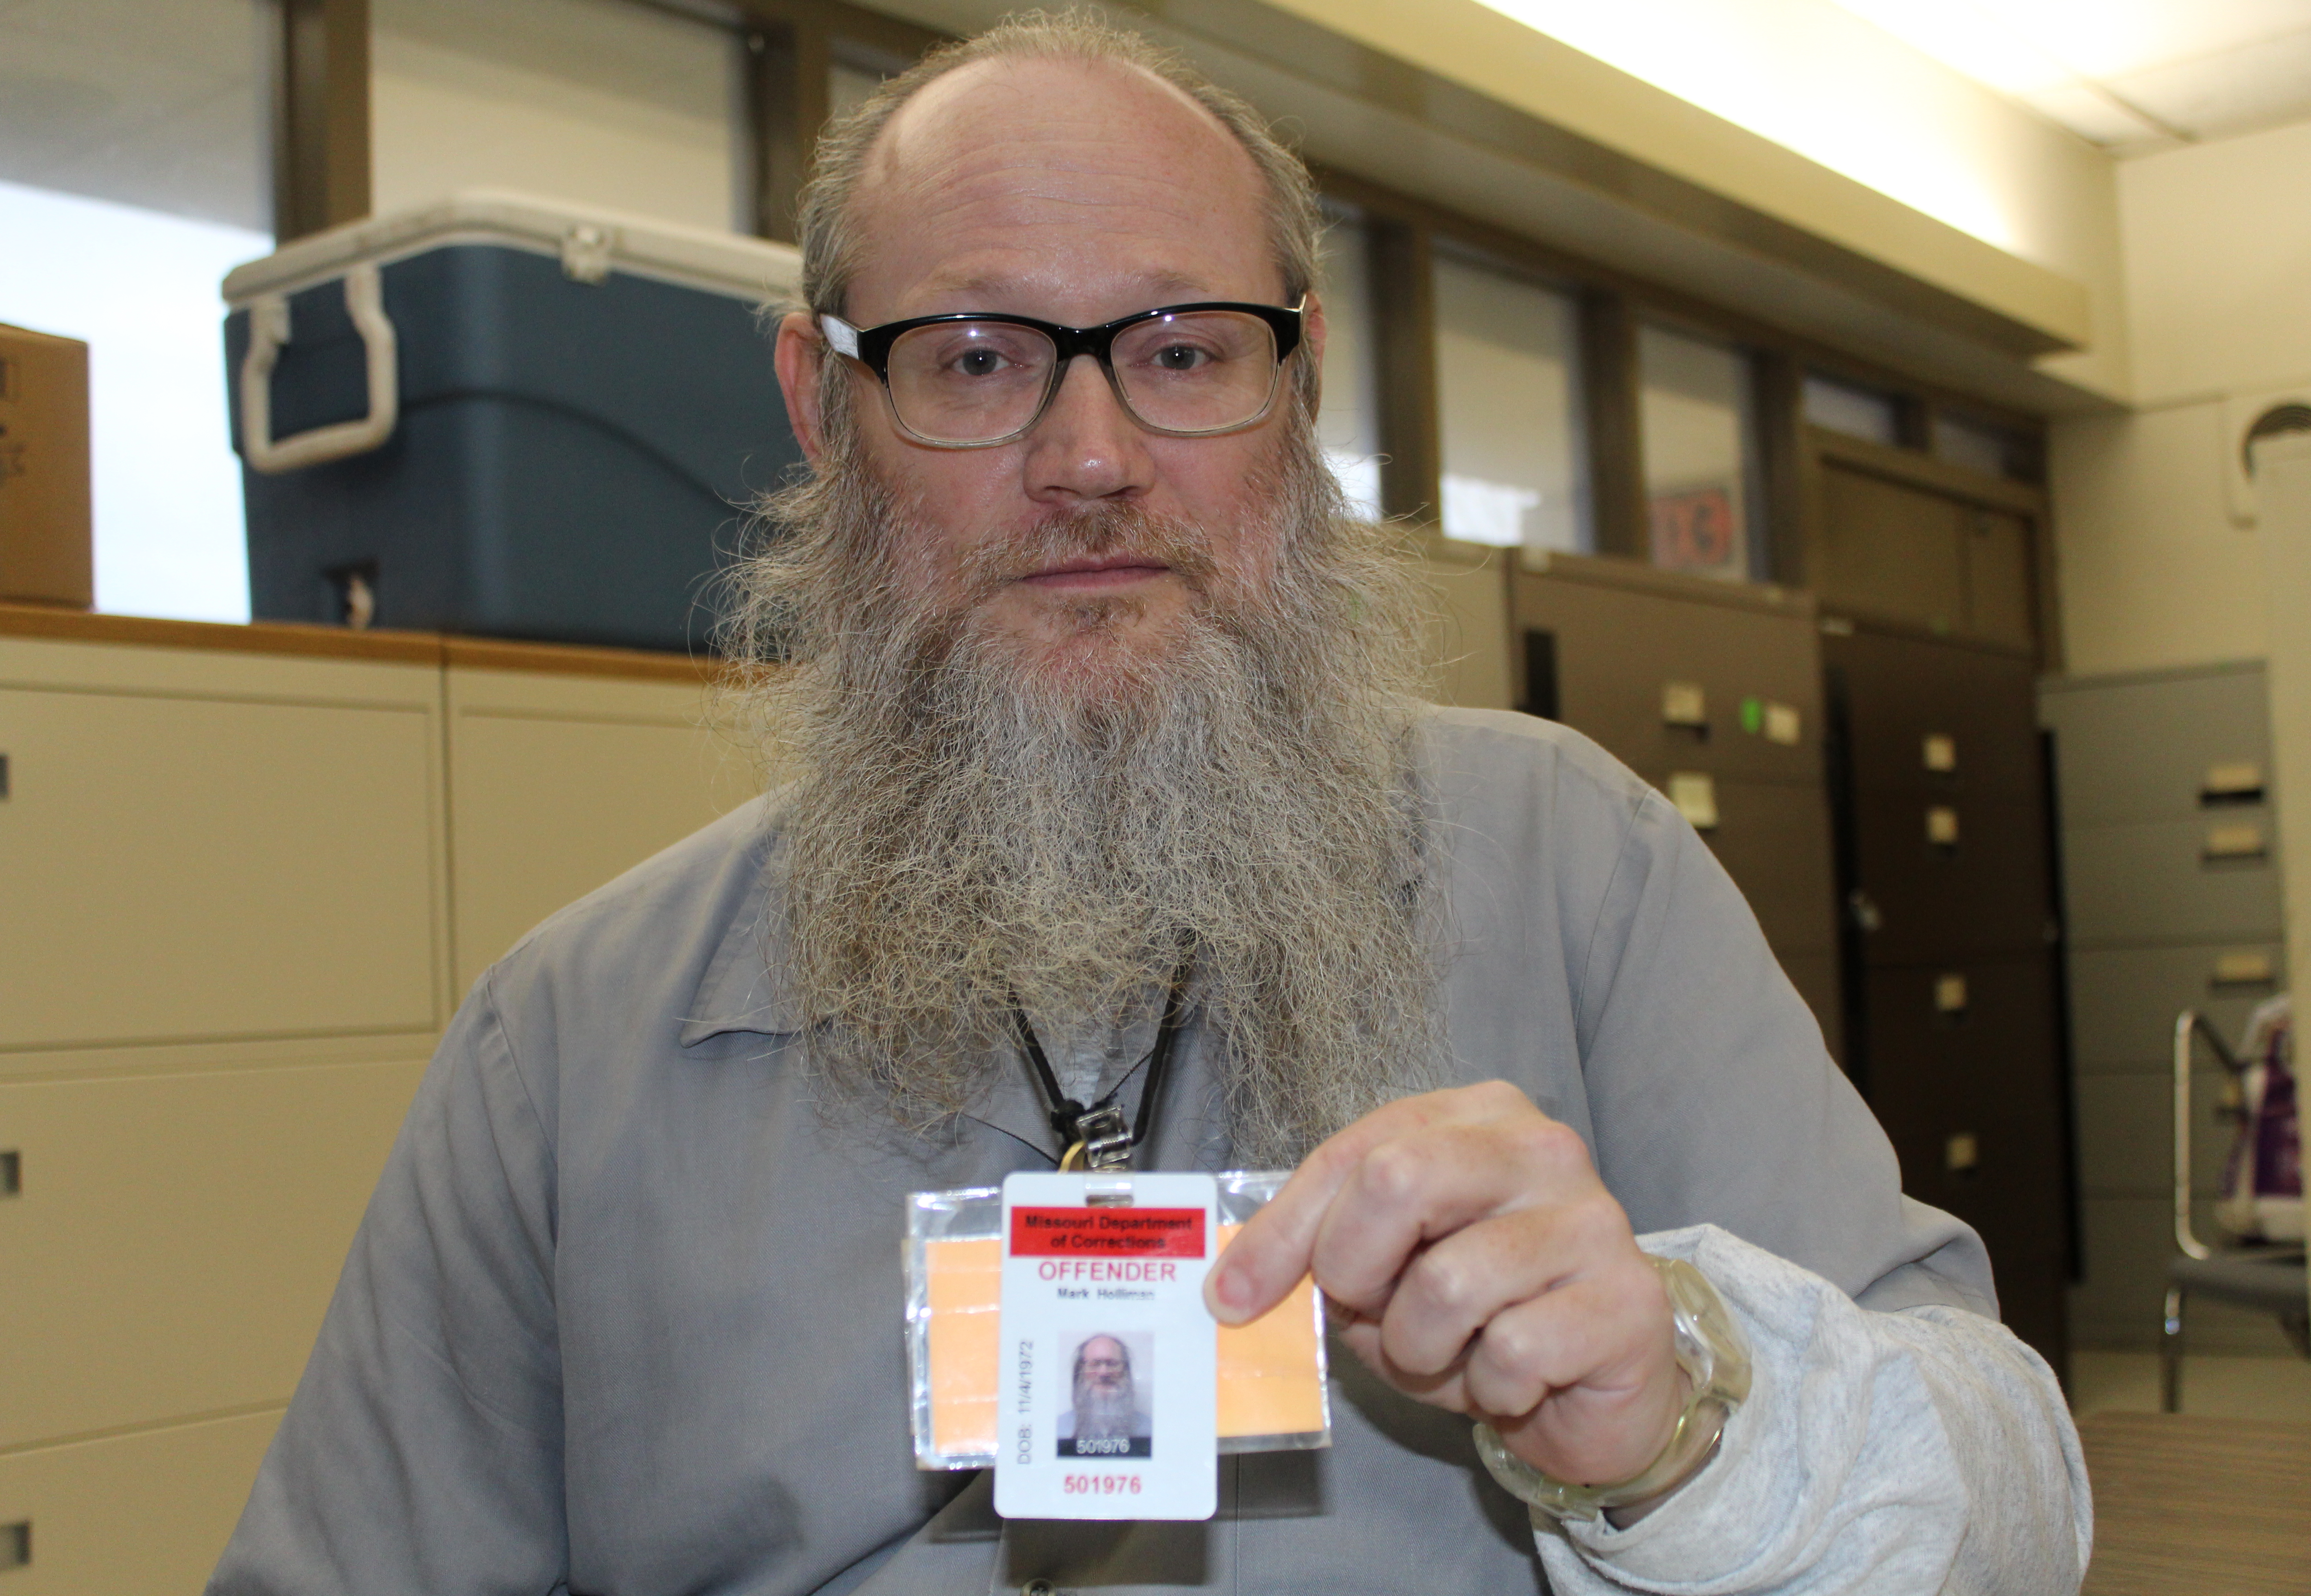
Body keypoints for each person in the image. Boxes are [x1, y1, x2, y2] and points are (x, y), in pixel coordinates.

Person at [209, 13, 2090, 1595]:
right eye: (975, 360)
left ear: (1300, 390)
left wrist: (1690, 1411)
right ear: (820, 404)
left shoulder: (1574, 865)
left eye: (1184, 352)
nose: (1092, 460)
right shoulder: (568, 1044)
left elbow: (2018, 1494)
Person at [1060, 1334, 1154, 1456]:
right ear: (1080, 1372)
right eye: (1095, 1364)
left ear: (1126, 1371)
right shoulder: (1057, 1431)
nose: (1104, 1373)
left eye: (1112, 1364)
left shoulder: (1151, 1432)